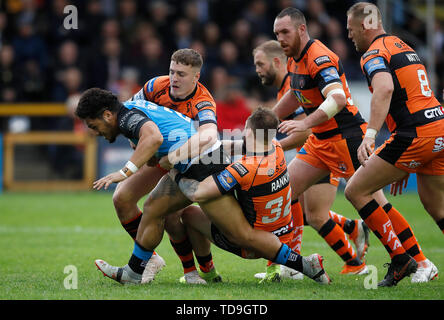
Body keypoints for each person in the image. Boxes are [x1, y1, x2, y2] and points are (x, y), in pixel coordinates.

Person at [76, 88, 330, 285]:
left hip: (205, 166)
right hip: (195, 163)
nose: (94, 131)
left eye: (92, 124)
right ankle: (134, 272)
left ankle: (307, 266)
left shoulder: (128, 115)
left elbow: (153, 137)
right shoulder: (131, 109)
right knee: (153, 208)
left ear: (107, 115)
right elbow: (157, 136)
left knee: (243, 236)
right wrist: (165, 160)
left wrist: (125, 172)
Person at [273, 7, 433, 282]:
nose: (280, 39)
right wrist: (262, 121)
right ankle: (293, 264)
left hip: (347, 138)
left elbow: (336, 99)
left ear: (302, 30)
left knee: (374, 201)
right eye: (276, 34)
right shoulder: (293, 59)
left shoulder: (319, 57)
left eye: (285, 32)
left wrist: (304, 123)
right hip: (319, 142)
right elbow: (294, 95)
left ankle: (421, 261)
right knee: (284, 194)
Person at [253, 40, 371, 279]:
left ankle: (297, 263)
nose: (257, 69)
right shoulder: (285, 88)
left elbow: (306, 132)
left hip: (325, 150)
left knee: (310, 213)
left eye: (260, 64)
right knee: (303, 210)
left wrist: (272, 148)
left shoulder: (293, 85)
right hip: (318, 151)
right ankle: (351, 232)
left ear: (277, 62)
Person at [345, 2, 441, 286]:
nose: (350, 37)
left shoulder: (373, 53)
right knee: (439, 210)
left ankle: (401, 260)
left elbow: (385, 88)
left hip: (414, 134)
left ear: (364, 25)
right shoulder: (403, 46)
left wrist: (371, 135)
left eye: (351, 30)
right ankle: (415, 260)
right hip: (438, 127)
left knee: (356, 190)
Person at [117, 48, 221, 284]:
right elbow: (127, 114)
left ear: (196, 77)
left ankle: (195, 271)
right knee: (121, 198)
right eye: (172, 71)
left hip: (190, 161)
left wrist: (169, 159)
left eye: (182, 74)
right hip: (159, 156)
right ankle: (150, 258)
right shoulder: (155, 86)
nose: (174, 78)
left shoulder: (203, 102)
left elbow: (208, 137)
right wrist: (139, 146)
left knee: (172, 215)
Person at [171, 107, 304, 283]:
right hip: (281, 239)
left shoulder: (244, 168)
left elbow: (197, 193)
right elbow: (232, 147)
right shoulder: (276, 147)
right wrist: (202, 146)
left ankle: (207, 272)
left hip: (253, 246)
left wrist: (174, 171)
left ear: (248, 130)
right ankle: (274, 268)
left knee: (189, 214)